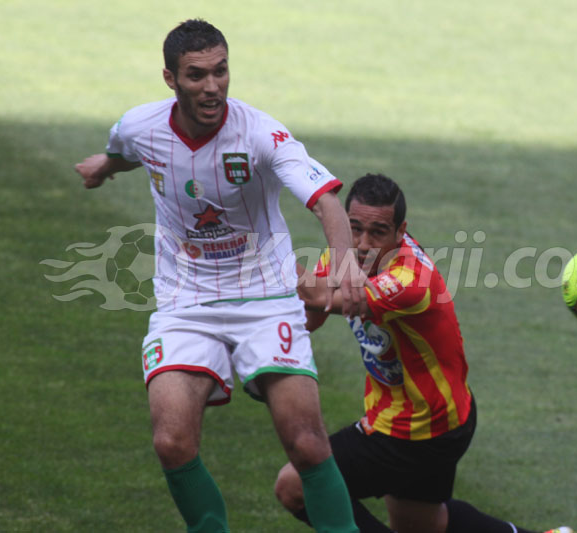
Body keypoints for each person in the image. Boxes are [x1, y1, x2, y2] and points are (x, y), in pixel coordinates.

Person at [74, 19, 364, 533]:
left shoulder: (259, 133)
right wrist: (104, 165)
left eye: (221, 71)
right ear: (171, 79)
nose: (212, 87)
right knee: (171, 441)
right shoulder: (141, 125)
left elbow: (326, 202)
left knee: (306, 443)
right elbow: (126, 151)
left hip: (267, 296)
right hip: (185, 300)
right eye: (197, 75)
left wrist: (345, 269)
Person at [274, 174, 573, 533]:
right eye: (354, 228)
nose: (364, 243)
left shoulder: (409, 280)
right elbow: (312, 315)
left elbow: (322, 297)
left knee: (297, 486)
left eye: (378, 232)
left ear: (401, 232)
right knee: (421, 523)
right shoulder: (346, 253)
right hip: (444, 417)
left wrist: (267, 251)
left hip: (413, 431)